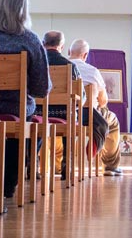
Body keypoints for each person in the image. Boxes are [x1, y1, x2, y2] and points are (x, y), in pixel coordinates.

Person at [0, 0, 51, 198]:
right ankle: (9, 180)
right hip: (17, 109)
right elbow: (41, 88)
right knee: (32, 126)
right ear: (23, 9)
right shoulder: (30, 40)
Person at [68, 39, 123, 176]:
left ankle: (57, 165)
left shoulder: (57, 69)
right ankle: (110, 165)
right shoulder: (92, 71)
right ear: (85, 55)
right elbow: (103, 101)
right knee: (113, 122)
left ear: (69, 52)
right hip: (88, 116)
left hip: (61, 114)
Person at [41, 30, 80, 178]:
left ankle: (30, 164)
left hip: (38, 112)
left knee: (31, 118)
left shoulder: (36, 63)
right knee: (72, 117)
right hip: (63, 113)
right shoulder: (70, 66)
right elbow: (80, 95)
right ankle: (66, 165)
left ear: (43, 44)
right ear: (62, 46)